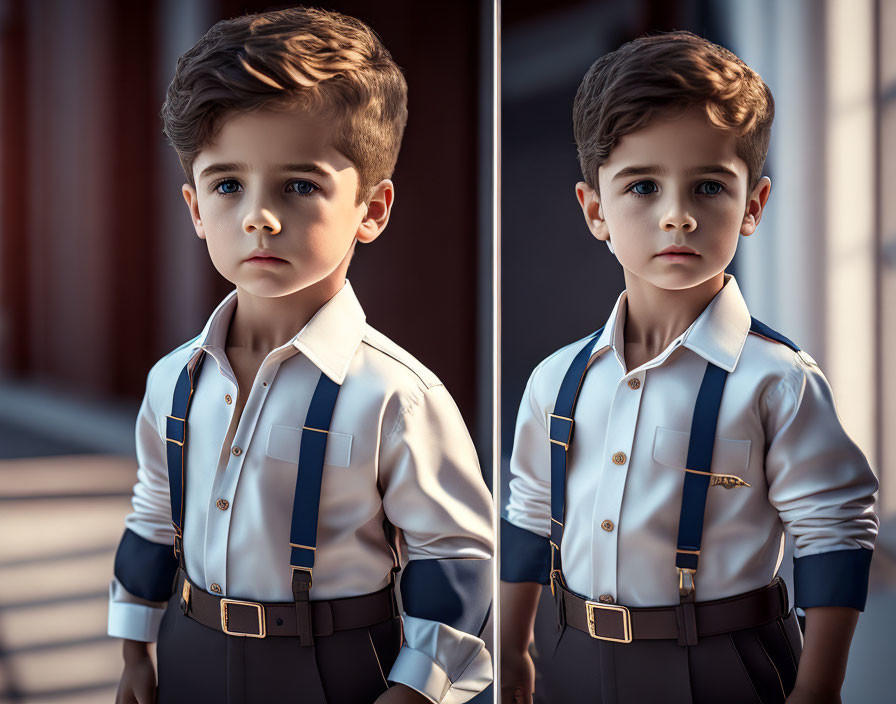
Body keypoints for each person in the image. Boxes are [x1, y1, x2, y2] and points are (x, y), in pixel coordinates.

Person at [108, 7, 493, 704]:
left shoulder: (397, 395)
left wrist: (414, 690)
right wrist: (137, 651)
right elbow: (153, 517)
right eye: (229, 185)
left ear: (372, 210)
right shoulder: (173, 380)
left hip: (334, 667)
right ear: (196, 209)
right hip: (191, 650)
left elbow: (453, 556)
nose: (259, 215)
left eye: (299, 185)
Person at [500, 30, 878, 704]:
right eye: (642, 186)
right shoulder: (556, 380)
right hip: (571, 656)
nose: (677, 216)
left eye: (708, 186)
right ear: (596, 212)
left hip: (724, 664)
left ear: (753, 206)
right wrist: (513, 653)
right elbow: (529, 516)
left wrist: (818, 687)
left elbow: (833, 530)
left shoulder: (778, 381)